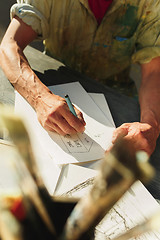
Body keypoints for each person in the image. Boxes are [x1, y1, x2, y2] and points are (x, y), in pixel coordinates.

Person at [0, 0, 160, 157]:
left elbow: (154, 72)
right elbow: (9, 46)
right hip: (56, 90)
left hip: (118, 101)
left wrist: (150, 125)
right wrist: (40, 97)